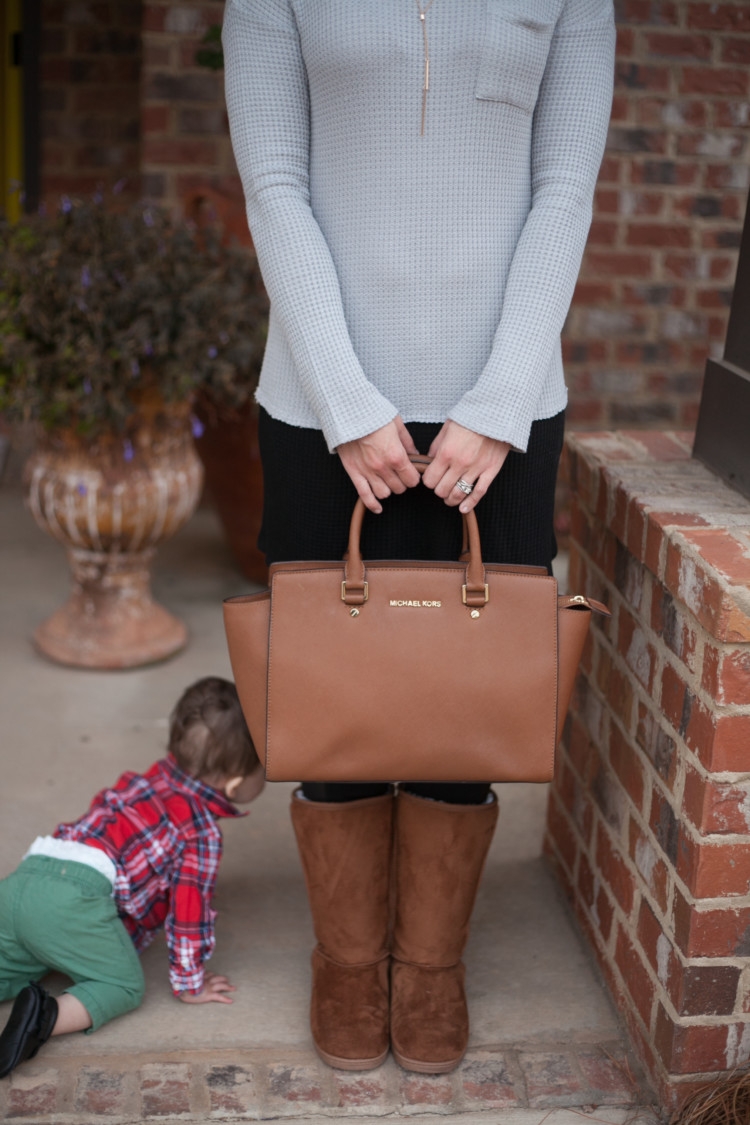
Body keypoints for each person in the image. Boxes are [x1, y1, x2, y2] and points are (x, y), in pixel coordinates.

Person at [223, 0, 615, 1075]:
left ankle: (430, 967)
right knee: (337, 708)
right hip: (320, 406)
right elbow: (277, 185)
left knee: (462, 713)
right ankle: (349, 965)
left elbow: (563, 189)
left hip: (506, 411)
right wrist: (347, 401)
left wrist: (498, 402)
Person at [0, 677, 264, 1079]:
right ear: (234, 782)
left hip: (30, 874)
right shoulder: (201, 832)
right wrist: (190, 983)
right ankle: (43, 1018)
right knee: (122, 985)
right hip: (73, 899)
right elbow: (187, 915)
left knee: (16, 963)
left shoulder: (148, 779)